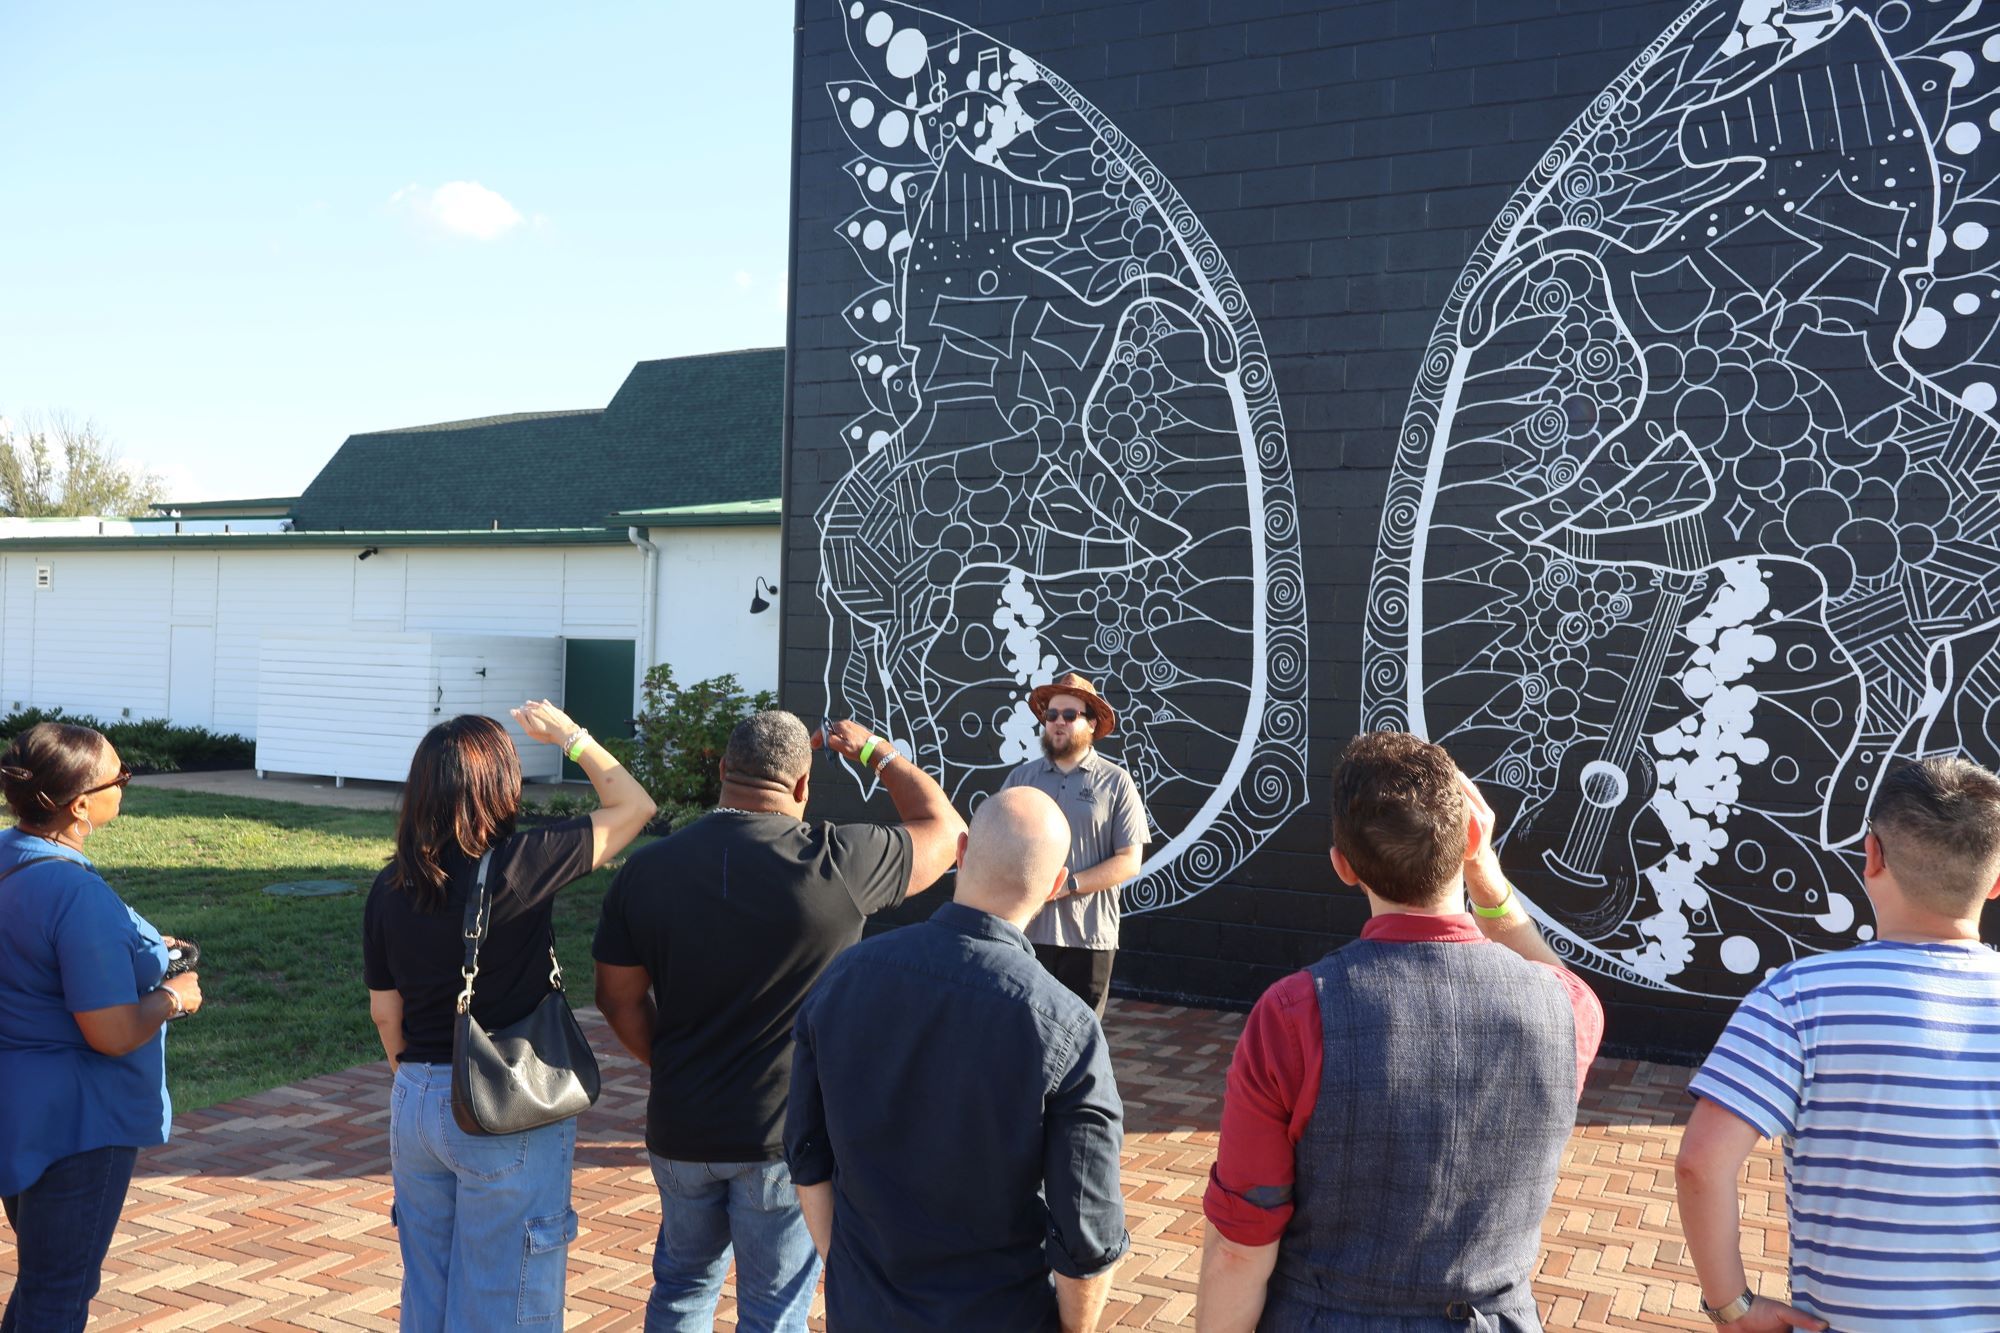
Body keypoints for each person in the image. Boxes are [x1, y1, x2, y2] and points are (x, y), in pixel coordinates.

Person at [1197, 731, 1605, 1333]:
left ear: (1342, 865)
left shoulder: (1293, 1014)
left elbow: (1240, 1243)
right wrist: (1487, 880)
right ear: (1470, 837)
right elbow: (1552, 973)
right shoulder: (1569, 1009)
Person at [592, 711, 964, 1333]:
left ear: (720, 772)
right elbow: (947, 831)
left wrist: (675, 1064)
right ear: (801, 786)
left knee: (681, 1288)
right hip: (785, 1137)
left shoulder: (648, 870)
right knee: (773, 1312)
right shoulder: (839, 861)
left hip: (681, 1126)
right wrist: (876, 752)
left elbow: (616, 999)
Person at [785, 785, 1129, 1332]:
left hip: (865, 1310)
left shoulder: (847, 976)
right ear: (1057, 885)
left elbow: (806, 1155)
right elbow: (1087, 1232)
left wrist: (849, 1273)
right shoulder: (1067, 1026)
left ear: (962, 852)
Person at [1676, 756, 2000, 1333]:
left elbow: (1702, 1164)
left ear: (1871, 855)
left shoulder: (1798, 997)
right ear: (1997, 880)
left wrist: (1732, 1307)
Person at [362, 702, 655, 1332]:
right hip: (505, 1106)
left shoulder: (391, 884)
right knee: (507, 1303)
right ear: (500, 786)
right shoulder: (522, 864)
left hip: (415, 1100)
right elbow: (634, 807)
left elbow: (386, 1014)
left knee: (429, 1297)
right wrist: (573, 737)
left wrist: (424, 1079)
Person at [0, 721, 201, 1333]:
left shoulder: (11, 858)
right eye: (121, 777)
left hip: (18, 1111)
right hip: (79, 1123)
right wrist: (173, 995)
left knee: (44, 1277)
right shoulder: (72, 891)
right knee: (58, 1292)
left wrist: (133, 949)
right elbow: (111, 1032)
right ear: (81, 803)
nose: (126, 785)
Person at [1001, 671, 1149, 1018]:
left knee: (1081, 1038)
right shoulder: (1021, 779)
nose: (1058, 723)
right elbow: (999, 843)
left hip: (1089, 936)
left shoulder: (1116, 782)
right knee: (1024, 1029)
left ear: (1092, 725)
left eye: (1070, 715)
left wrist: (1069, 885)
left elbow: (1129, 861)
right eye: (1051, 715)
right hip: (1027, 931)